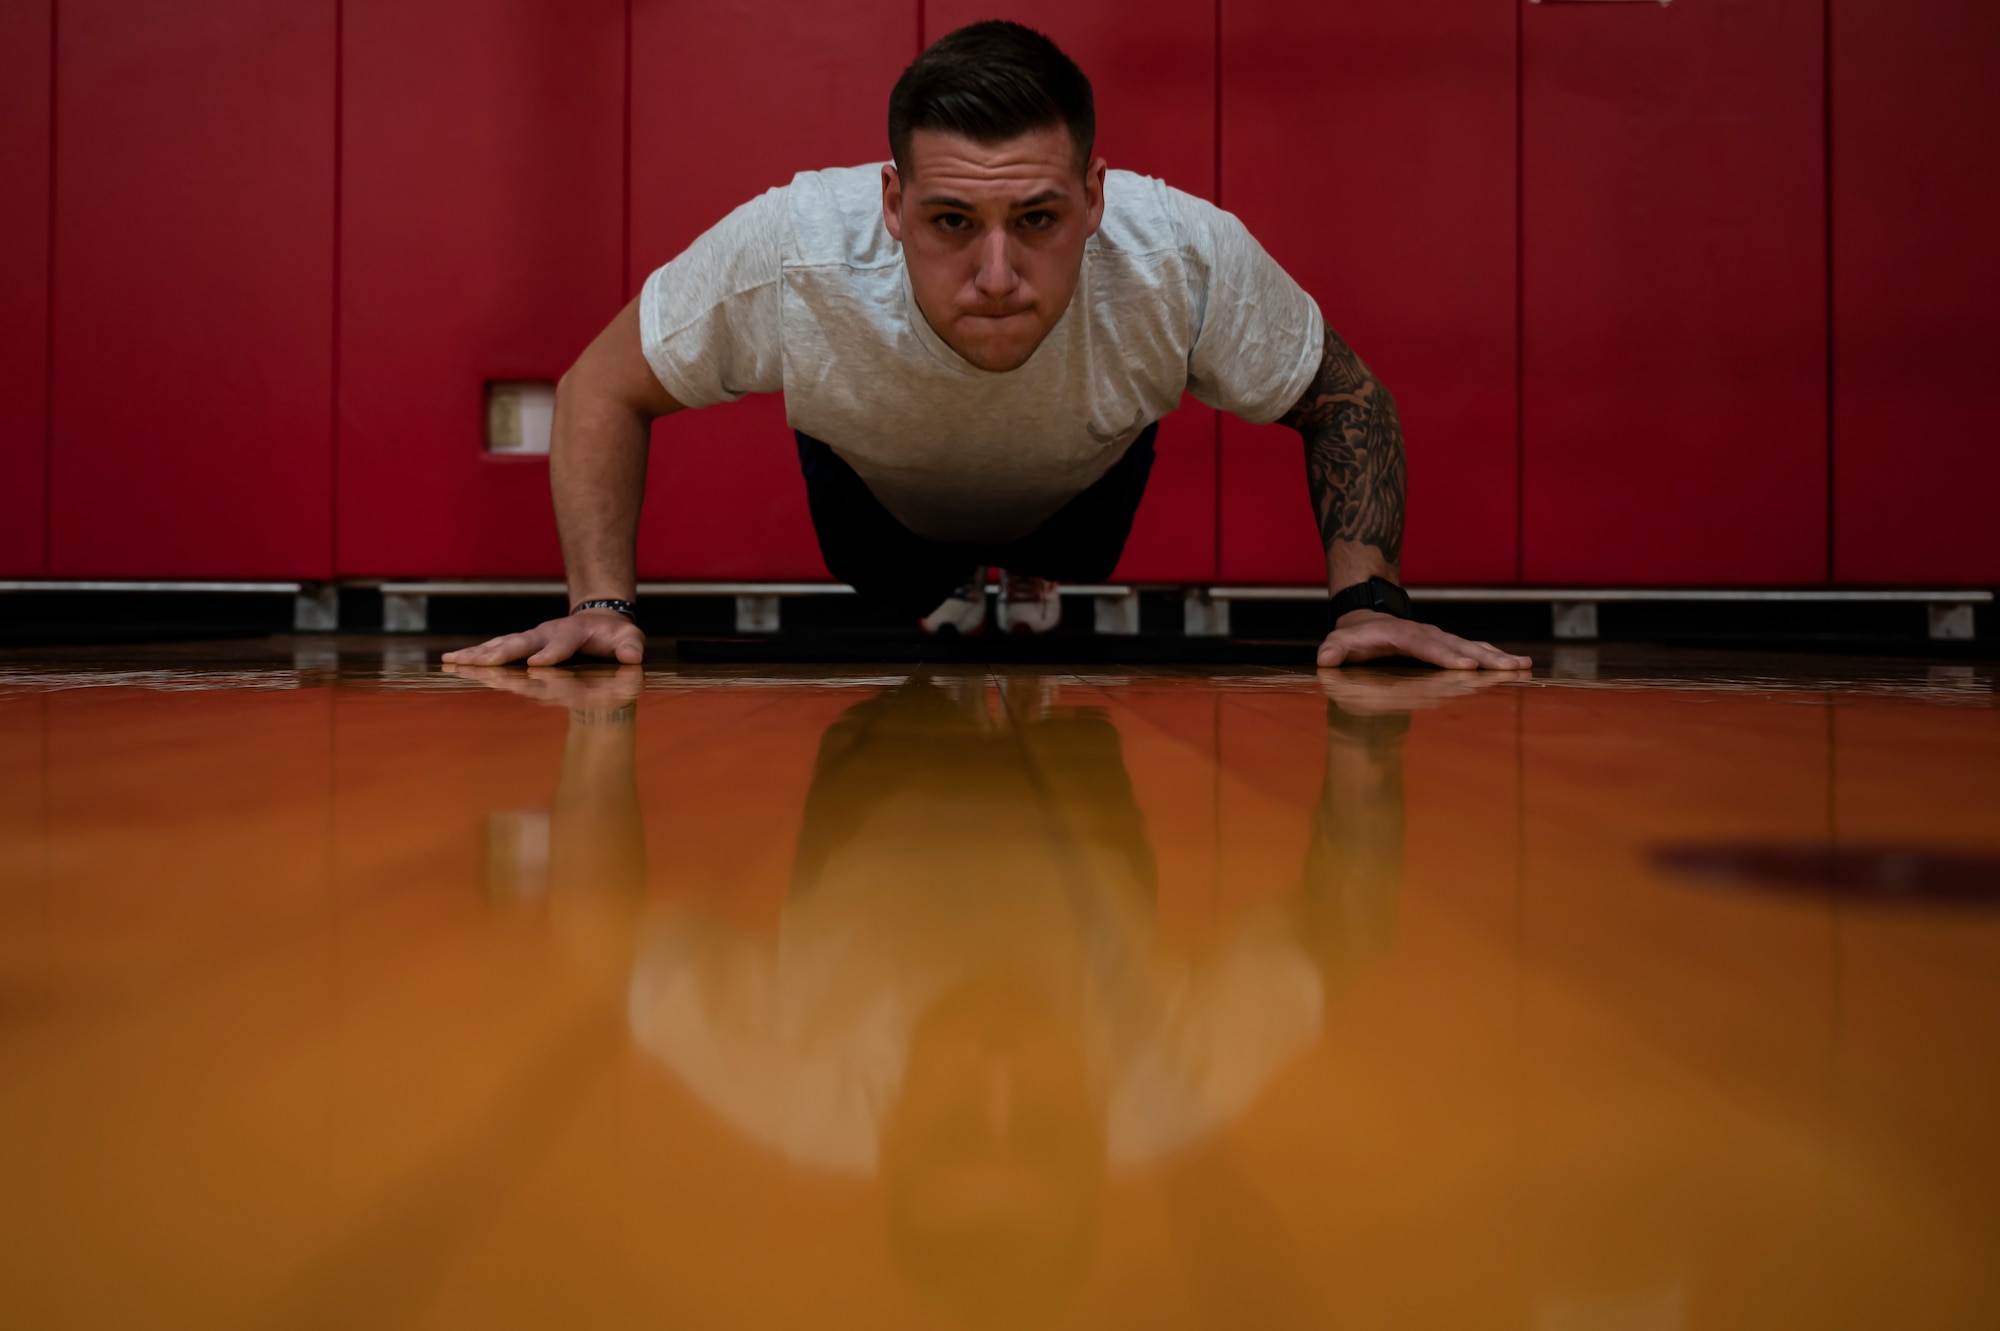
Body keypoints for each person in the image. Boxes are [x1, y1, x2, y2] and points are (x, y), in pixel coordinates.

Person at [442, 21, 1531, 672]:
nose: (998, 274)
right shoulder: (794, 248)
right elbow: (599, 387)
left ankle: (1008, 575)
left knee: (1070, 544)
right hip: (876, 508)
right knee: (887, 574)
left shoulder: (1182, 254)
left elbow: (1342, 396)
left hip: (1080, 502)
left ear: (1097, 198)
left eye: (1040, 221)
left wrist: (1370, 604)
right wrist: (599, 608)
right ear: (889, 202)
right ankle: (953, 583)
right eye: (952, 223)